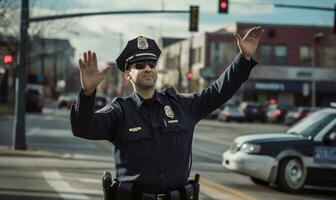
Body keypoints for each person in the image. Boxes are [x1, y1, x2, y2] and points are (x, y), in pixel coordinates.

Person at [70, 26, 263, 200]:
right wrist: (88, 93)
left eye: (151, 64)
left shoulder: (181, 105)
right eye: (139, 65)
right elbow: (83, 128)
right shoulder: (120, 111)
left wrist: (243, 59)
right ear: (128, 74)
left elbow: (218, 92)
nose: (147, 68)